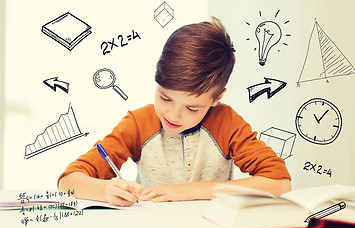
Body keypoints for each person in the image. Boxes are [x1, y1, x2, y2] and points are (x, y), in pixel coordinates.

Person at [58, 17, 291, 207]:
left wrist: (189, 191)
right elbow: (67, 182)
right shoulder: (139, 123)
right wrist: (106, 190)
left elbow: (280, 183)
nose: (173, 115)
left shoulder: (227, 123)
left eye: (192, 108)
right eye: (165, 97)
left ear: (217, 98)